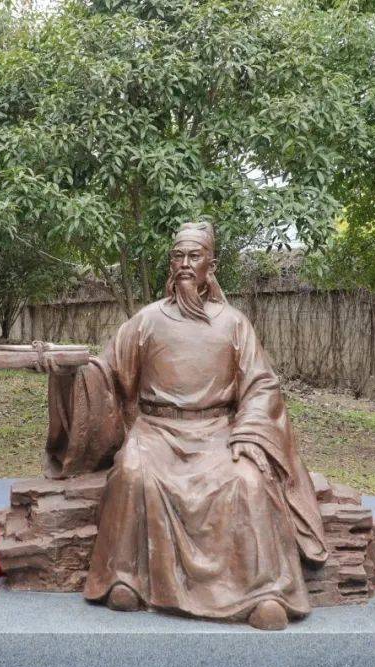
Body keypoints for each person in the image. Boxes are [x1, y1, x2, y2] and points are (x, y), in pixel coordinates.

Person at [36, 221, 328, 630]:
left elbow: (262, 385)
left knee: (248, 481)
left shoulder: (234, 324)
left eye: (194, 256)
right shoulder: (146, 321)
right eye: (178, 256)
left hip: (216, 433)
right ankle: (125, 578)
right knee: (131, 473)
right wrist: (68, 372)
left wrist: (248, 433)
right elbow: (105, 373)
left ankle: (263, 592)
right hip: (156, 432)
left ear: (212, 265)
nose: (185, 264)